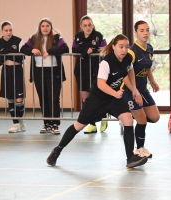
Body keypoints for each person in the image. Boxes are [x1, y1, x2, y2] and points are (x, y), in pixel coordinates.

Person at [46, 34, 148, 168]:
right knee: (79, 126)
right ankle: (57, 150)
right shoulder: (107, 62)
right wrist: (115, 93)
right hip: (97, 98)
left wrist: (134, 89)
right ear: (114, 47)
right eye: (121, 47)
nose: (124, 50)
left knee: (128, 119)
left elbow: (130, 72)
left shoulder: (128, 58)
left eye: (126, 47)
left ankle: (130, 159)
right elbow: (101, 84)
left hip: (113, 98)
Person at [20, 18, 69, 134]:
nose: (45, 28)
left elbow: (65, 48)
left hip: (54, 72)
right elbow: (23, 48)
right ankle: (46, 123)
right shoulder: (34, 37)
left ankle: (55, 124)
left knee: (54, 98)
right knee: (44, 99)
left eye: (47, 26)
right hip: (39, 72)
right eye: (43, 26)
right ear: (40, 27)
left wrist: (51, 51)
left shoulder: (57, 37)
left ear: (51, 27)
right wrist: (32, 50)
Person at [122, 20, 160, 158]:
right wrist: (134, 91)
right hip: (129, 90)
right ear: (136, 32)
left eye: (147, 30)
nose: (145, 33)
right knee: (142, 119)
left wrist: (152, 80)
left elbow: (147, 66)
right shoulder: (132, 52)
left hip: (143, 89)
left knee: (155, 117)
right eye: (142, 30)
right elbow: (124, 75)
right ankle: (139, 148)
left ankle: (133, 115)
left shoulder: (149, 48)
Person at [72, 15, 108, 134]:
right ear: (81, 27)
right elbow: (74, 50)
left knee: (96, 96)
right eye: (85, 25)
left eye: (90, 25)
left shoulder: (98, 36)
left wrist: (94, 50)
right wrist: (85, 52)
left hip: (95, 70)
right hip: (82, 70)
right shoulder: (78, 37)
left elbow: (105, 49)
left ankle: (103, 116)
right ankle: (92, 124)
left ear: (93, 25)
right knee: (85, 98)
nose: (88, 28)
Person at [0, 21, 26, 133]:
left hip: (17, 70)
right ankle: (15, 123)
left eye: (10, 30)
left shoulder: (18, 40)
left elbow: (21, 58)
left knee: (19, 98)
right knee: (11, 98)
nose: (8, 32)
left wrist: (8, 54)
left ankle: (20, 120)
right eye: (6, 30)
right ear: (2, 31)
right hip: (6, 71)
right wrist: (10, 53)